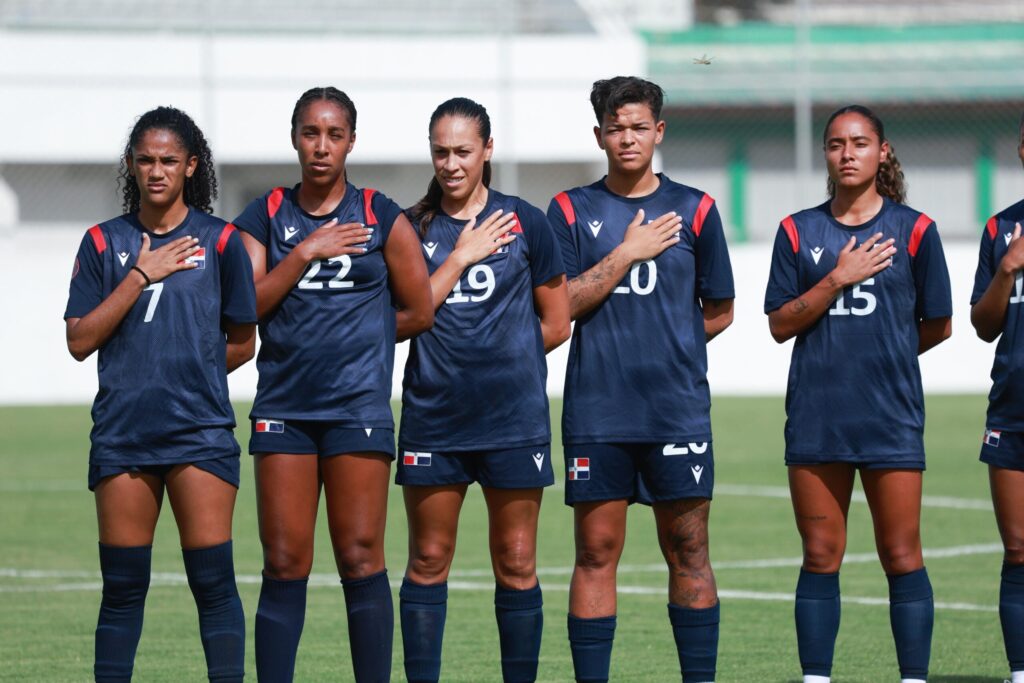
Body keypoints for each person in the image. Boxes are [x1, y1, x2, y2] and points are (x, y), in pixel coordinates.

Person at [233, 86, 433, 683]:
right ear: (295, 138)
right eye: (311, 133)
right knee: (284, 560)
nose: (322, 146)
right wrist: (304, 253)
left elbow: (419, 310)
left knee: (360, 557)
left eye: (334, 135)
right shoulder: (266, 214)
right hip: (285, 409)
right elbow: (246, 307)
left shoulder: (380, 214)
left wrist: (362, 336)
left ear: (351, 142)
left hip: (356, 409)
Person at [547, 76, 734, 683]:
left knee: (690, 552)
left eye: (638, 127)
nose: (627, 138)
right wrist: (627, 253)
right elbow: (560, 308)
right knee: (595, 553)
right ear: (599, 135)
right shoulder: (569, 210)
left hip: (676, 412)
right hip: (598, 412)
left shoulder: (697, 209)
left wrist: (670, 346)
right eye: (615, 128)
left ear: (659, 131)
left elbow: (720, 310)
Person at [64, 106, 257, 683]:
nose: (156, 171)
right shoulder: (103, 242)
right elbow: (79, 341)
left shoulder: (221, 241)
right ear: (131, 164)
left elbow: (242, 342)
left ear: (191, 166)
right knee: (122, 589)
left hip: (199, 434)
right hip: (123, 435)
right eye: (146, 160)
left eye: (169, 160)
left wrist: (189, 376)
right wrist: (140, 275)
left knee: (214, 585)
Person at [764, 104, 952, 683]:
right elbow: (780, 324)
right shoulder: (797, 230)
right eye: (836, 144)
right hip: (817, 417)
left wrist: (881, 354)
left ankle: (912, 678)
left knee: (902, 554)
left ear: (882, 151)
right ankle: (816, 678)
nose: (848, 154)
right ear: (824, 154)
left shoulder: (915, 230)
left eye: (860, 143)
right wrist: (836, 279)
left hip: (890, 416)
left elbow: (938, 324)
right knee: (821, 554)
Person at [396, 97, 570, 683]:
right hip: (433, 418)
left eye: (463, 151)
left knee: (517, 562)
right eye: (440, 152)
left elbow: (556, 323)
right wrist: (461, 255)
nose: (451, 164)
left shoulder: (527, 222)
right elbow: (401, 320)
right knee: (428, 559)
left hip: (512, 420)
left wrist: (505, 356)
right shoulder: (410, 227)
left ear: (488, 150)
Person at [970, 112, 1024, 683]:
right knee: (1019, 549)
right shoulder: (1000, 228)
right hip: (1014, 408)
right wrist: (1008, 269)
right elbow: (984, 326)